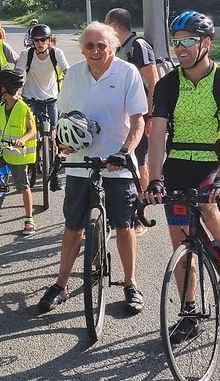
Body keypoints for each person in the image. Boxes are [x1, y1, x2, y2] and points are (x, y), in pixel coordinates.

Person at [145, 10, 220, 342]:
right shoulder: (167, 84)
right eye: (176, 42)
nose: (180, 48)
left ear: (206, 43)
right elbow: (156, 136)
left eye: (188, 41)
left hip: (212, 163)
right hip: (178, 165)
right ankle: (189, 314)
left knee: (209, 208)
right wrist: (154, 178)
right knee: (181, 241)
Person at [38, 22, 147, 315]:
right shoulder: (73, 74)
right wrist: (63, 144)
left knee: (124, 226)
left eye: (102, 46)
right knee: (73, 226)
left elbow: (138, 120)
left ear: (113, 47)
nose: (96, 51)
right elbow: (64, 117)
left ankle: (130, 283)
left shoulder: (127, 73)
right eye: (90, 46)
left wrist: (125, 152)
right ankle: (61, 284)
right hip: (79, 163)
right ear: (82, 47)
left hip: (118, 163)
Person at [104, 8, 160, 236]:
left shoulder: (139, 46)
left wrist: (149, 116)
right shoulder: (119, 48)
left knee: (139, 162)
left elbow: (153, 81)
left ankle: (140, 212)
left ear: (115, 25)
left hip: (140, 117)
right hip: (122, 117)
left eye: (108, 25)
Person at [0, 70, 37, 235]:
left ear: (5, 88)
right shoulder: (0, 105)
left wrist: (22, 140)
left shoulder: (23, 108)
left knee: (23, 186)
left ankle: (29, 220)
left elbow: (32, 130)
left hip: (15, 154)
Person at [15, 23, 69, 134]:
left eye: (43, 39)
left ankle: (54, 146)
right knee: (27, 128)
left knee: (55, 127)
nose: (40, 43)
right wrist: (14, 90)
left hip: (51, 95)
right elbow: (18, 73)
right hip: (30, 95)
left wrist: (73, 87)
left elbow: (67, 72)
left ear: (49, 40)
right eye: (36, 40)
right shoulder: (26, 54)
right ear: (32, 41)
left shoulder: (57, 53)